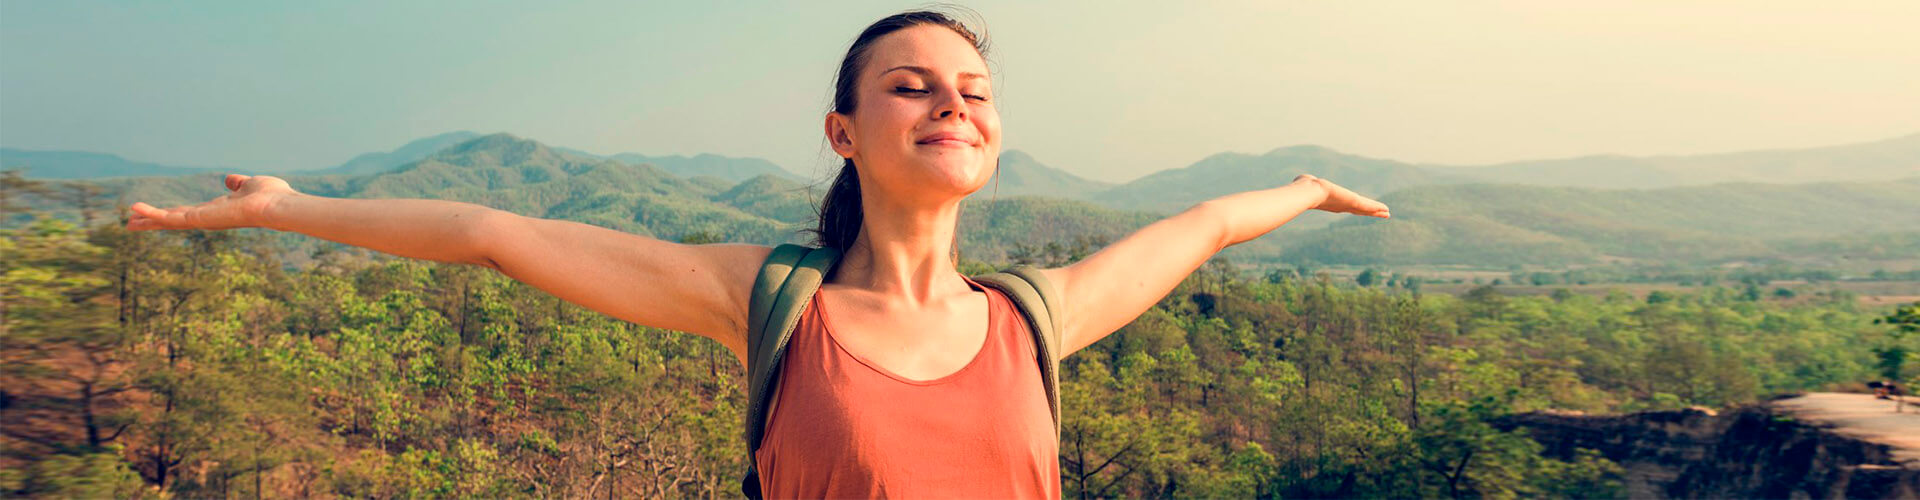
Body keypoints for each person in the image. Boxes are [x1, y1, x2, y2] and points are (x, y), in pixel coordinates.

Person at [125, 10, 1390, 498]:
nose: (953, 103)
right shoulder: (771, 299)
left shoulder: (1033, 316)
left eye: (973, 89)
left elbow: (1201, 225)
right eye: (912, 86)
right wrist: (283, 207)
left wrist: (1300, 185)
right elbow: (492, 233)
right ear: (846, 129)